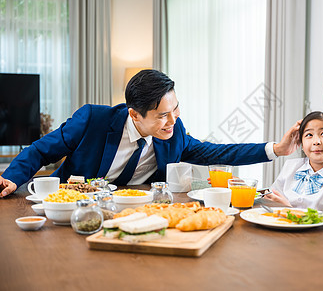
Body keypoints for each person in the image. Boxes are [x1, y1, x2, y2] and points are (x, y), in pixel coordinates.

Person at [0, 70, 301, 197]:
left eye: (176, 109)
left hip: (136, 215)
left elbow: (216, 152)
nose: (173, 121)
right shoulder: (93, 119)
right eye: (162, 116)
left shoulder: (175, 130)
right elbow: (41, 150)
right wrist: (12, 178)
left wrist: (276, 148)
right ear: (135, 114)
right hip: (76, 211)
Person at [264, 111, 323, 212]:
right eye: (309, 135)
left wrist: (289, 210)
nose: (316, 142)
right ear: (301, 144)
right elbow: (272, 197)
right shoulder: (291, 166)